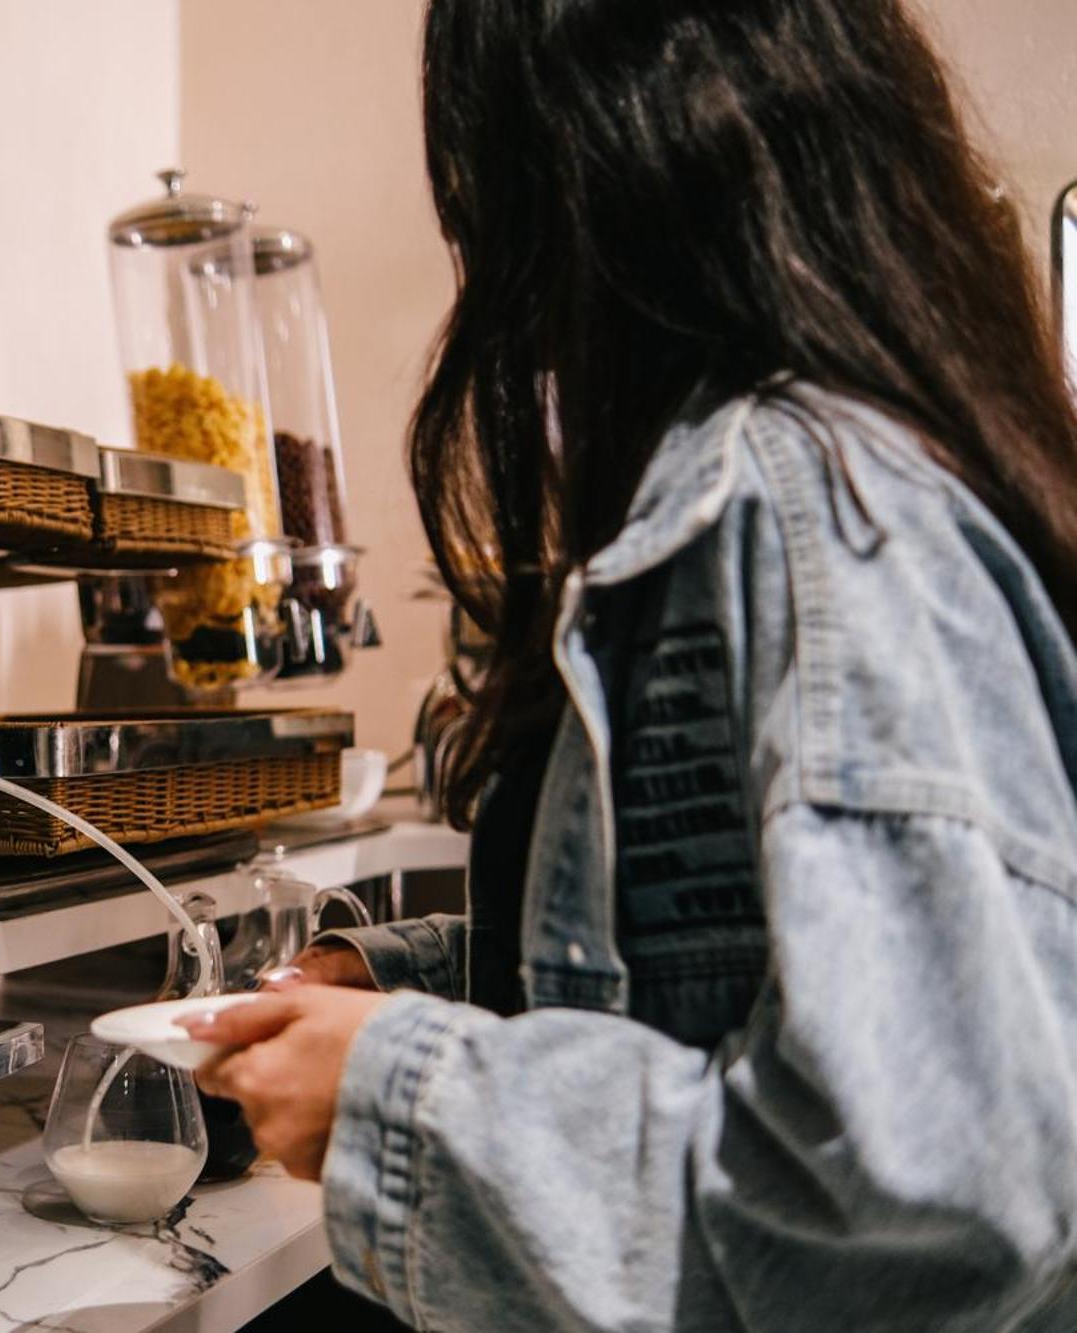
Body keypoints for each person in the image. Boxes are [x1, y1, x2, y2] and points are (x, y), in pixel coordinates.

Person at [182, 1, 1077, 1328]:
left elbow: (925, 1198)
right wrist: (406, 985)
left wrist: (398, 1091)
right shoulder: (775, 488)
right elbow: (714, 963)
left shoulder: (813, 508)